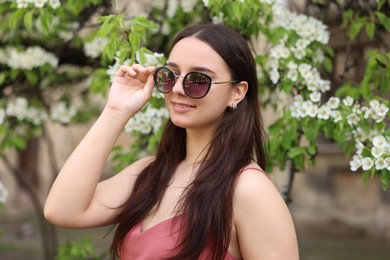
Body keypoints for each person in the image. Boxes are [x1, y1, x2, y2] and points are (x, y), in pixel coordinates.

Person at [44, 23, 299, 260]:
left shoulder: (248, 189)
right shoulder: (150, 174)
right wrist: (115, 111)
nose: (177, 88)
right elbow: (62, 210)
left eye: (198, 79)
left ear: (237, 92)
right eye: (171, 74)